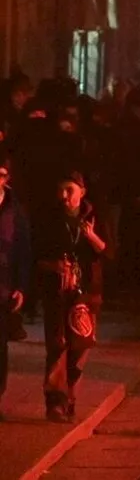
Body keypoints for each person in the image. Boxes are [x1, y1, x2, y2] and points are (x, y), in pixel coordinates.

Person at [34, 172, 109, 422]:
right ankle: (55, 401)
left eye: (70, 190)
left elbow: (109, 252)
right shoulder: (50, 220)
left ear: (82, 192)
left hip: (86, 293)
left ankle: (71, 397)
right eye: (61, 191)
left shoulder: (95, 217)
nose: (64, 196)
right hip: (58, 292)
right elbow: (36, 256)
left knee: (79, 346)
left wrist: (91, 237)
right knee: (57, 345)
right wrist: (53, 266)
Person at [0, 157, 31, 421]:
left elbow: (23, 250)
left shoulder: (15, 211)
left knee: (0, 347)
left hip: (4, 288)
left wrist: (21, 286)